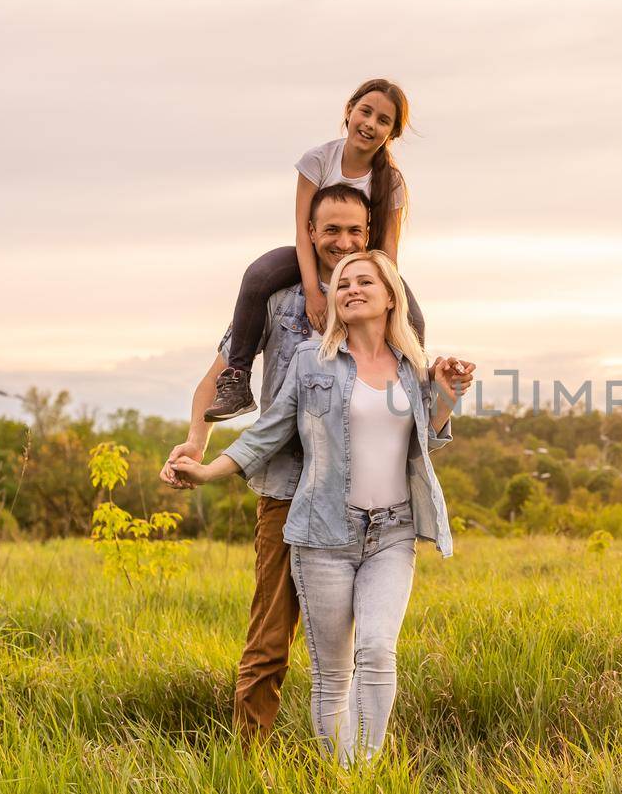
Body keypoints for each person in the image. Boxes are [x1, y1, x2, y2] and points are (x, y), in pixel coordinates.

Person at [171, 249, 474, 766]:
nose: (352, 288)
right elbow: (265, 436)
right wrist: (204, 468)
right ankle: (342, 774)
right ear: (332, 298)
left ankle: (365, 771)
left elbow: (431, 437)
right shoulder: (312, 361)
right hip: (322, 535)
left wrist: (447, 395)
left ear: (390, 296)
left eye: (365, 282)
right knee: (333, 674)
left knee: (377, 651)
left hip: (392, 534)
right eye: (343, 283)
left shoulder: (413, 366)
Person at [158, 184, 409, 743]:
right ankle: (248, 760)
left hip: (357, 498)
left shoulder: (377, 295)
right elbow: (219, 375)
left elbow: (407, 388)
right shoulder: (278, 298)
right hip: (284, 488)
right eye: (331, 231)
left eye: (354, 231)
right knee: (271, 640)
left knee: (356, 647)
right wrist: (196, 442)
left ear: (368, 234)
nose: (342, 242)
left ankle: (351, 766)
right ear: (311, 233)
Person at [204, 78, 426, 422]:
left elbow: (389, 251)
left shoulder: (391, 181)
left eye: (383, 120)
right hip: (313, 251)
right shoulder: (319, 160)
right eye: (365, 112)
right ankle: (236, 379)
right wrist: (313, 292)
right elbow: (301, 229)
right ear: (350, 111)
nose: (370, 124)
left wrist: (379, 291)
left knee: (414, 319)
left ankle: (412, 398)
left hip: (363, 261)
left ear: (391, 133)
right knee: (259, 274)